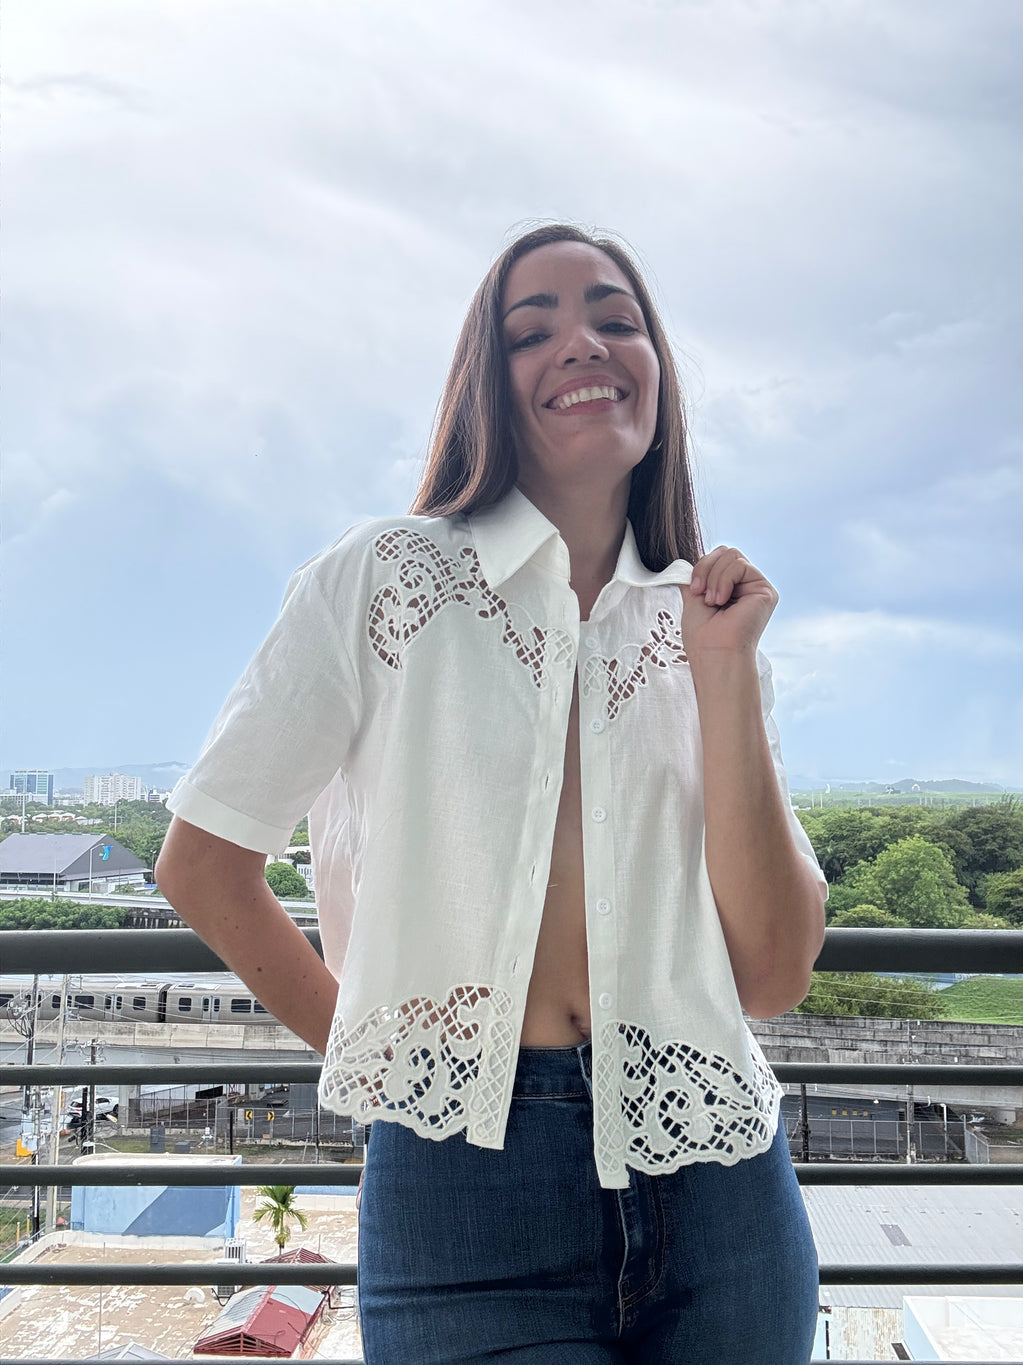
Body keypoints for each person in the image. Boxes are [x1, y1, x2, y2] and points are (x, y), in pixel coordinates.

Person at [156, 223, 828, 1363]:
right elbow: (202, 862)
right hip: (463, 1191)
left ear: (655, 372)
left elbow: (770, 973)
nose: (583, 342)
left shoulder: (709, 627)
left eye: (617, 320)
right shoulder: (384, 580)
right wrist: (385, 1053)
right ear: (487, 380)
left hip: (720, 1183)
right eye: (535, 328)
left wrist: (720, 675)